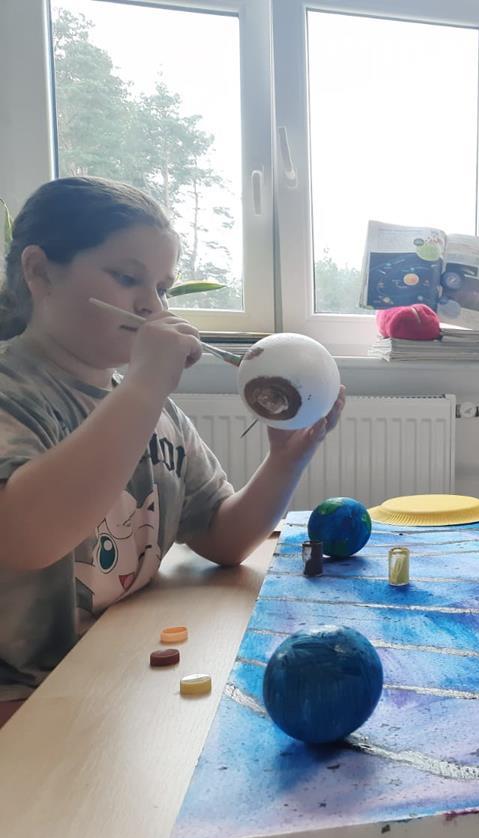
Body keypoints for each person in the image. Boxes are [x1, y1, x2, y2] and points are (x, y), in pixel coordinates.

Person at [0, 176, 345, 725]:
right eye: (127, 278)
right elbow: (27, 538)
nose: (152, 305)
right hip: (24, 701)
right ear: (40, 271)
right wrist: (144, 386)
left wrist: (287, 457)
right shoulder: (17, 393)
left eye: (162, 287)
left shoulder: (155, 413)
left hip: (116, 673)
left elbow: (223, 537)